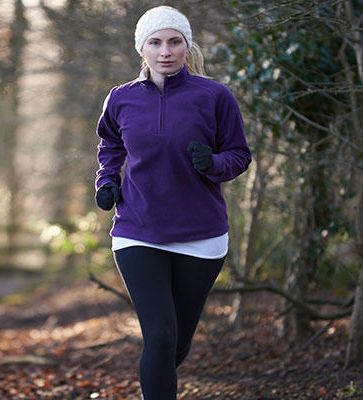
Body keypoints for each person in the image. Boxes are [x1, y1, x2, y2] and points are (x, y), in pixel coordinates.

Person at [94, 5, 252, 399]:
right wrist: (107, 181)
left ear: (186, 46)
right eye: (156, 42)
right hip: (137, 231)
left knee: (176, 343)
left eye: (174, 42)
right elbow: (110, 145)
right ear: (141, 49)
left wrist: (213, 163)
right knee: (160, 337)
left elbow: (239, 154)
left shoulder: (215, 96)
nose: (165, 51)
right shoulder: (121, 98)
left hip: (201, 235)